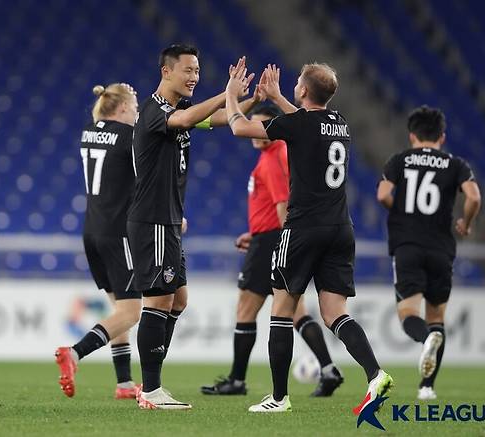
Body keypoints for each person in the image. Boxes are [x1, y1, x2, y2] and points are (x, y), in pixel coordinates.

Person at [224, 62, 393, 413]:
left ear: (302, 91)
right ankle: (375, 373)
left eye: (298, 85)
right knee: (334, 314)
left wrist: (230, 91)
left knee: (282, 312)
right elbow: (305, 123)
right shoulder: (339, 123)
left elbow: (240, 126)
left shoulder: (299, 123)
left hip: (302, 228)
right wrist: (280, 98)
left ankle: (279, 398)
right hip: (340, 229)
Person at [128, 45, 263, 410]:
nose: (194, 77)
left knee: (178, 300)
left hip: (169, 220)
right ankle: (152, 390)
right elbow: (185, 122)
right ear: (166, 71)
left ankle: (151, 383)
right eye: (188, 70)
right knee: (157, 300)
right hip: (153, 219)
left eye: (198, 71)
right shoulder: (156, 110)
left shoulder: (182, 110)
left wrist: (248, 100)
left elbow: (219, 119)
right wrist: (227, 92)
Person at [200, 105, 343, 397]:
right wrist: (255, 234)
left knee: (246, 308)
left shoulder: (273, 157)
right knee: (296, 313)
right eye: (254, 123)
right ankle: (329, 370)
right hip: (267, 237)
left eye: (262, 124)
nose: (256, 130)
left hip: (273, 241)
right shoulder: (275, 155)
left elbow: (282, 206)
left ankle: (237, 380)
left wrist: (278, 243)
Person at [377, 105, 481, 400]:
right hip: (441, 248)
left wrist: (399, 212)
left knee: (409, 313)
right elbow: (473, 196)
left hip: (408, 245)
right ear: (442, 137)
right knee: (437, 316)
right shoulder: (455, 163)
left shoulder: (400, 160)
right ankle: (427, 387)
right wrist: (466, 222)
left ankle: (426, 339)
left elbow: (383, 194)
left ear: (412, 136)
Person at [55, 83, 142, 400]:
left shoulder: (88, 133)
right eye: (134, 106)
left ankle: (124, 384)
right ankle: (75, 353)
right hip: (117, 233)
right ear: (120, 108)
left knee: (118, 310)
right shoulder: (128, 137)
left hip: (91, 231)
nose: (137, 112)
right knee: (132, 312)